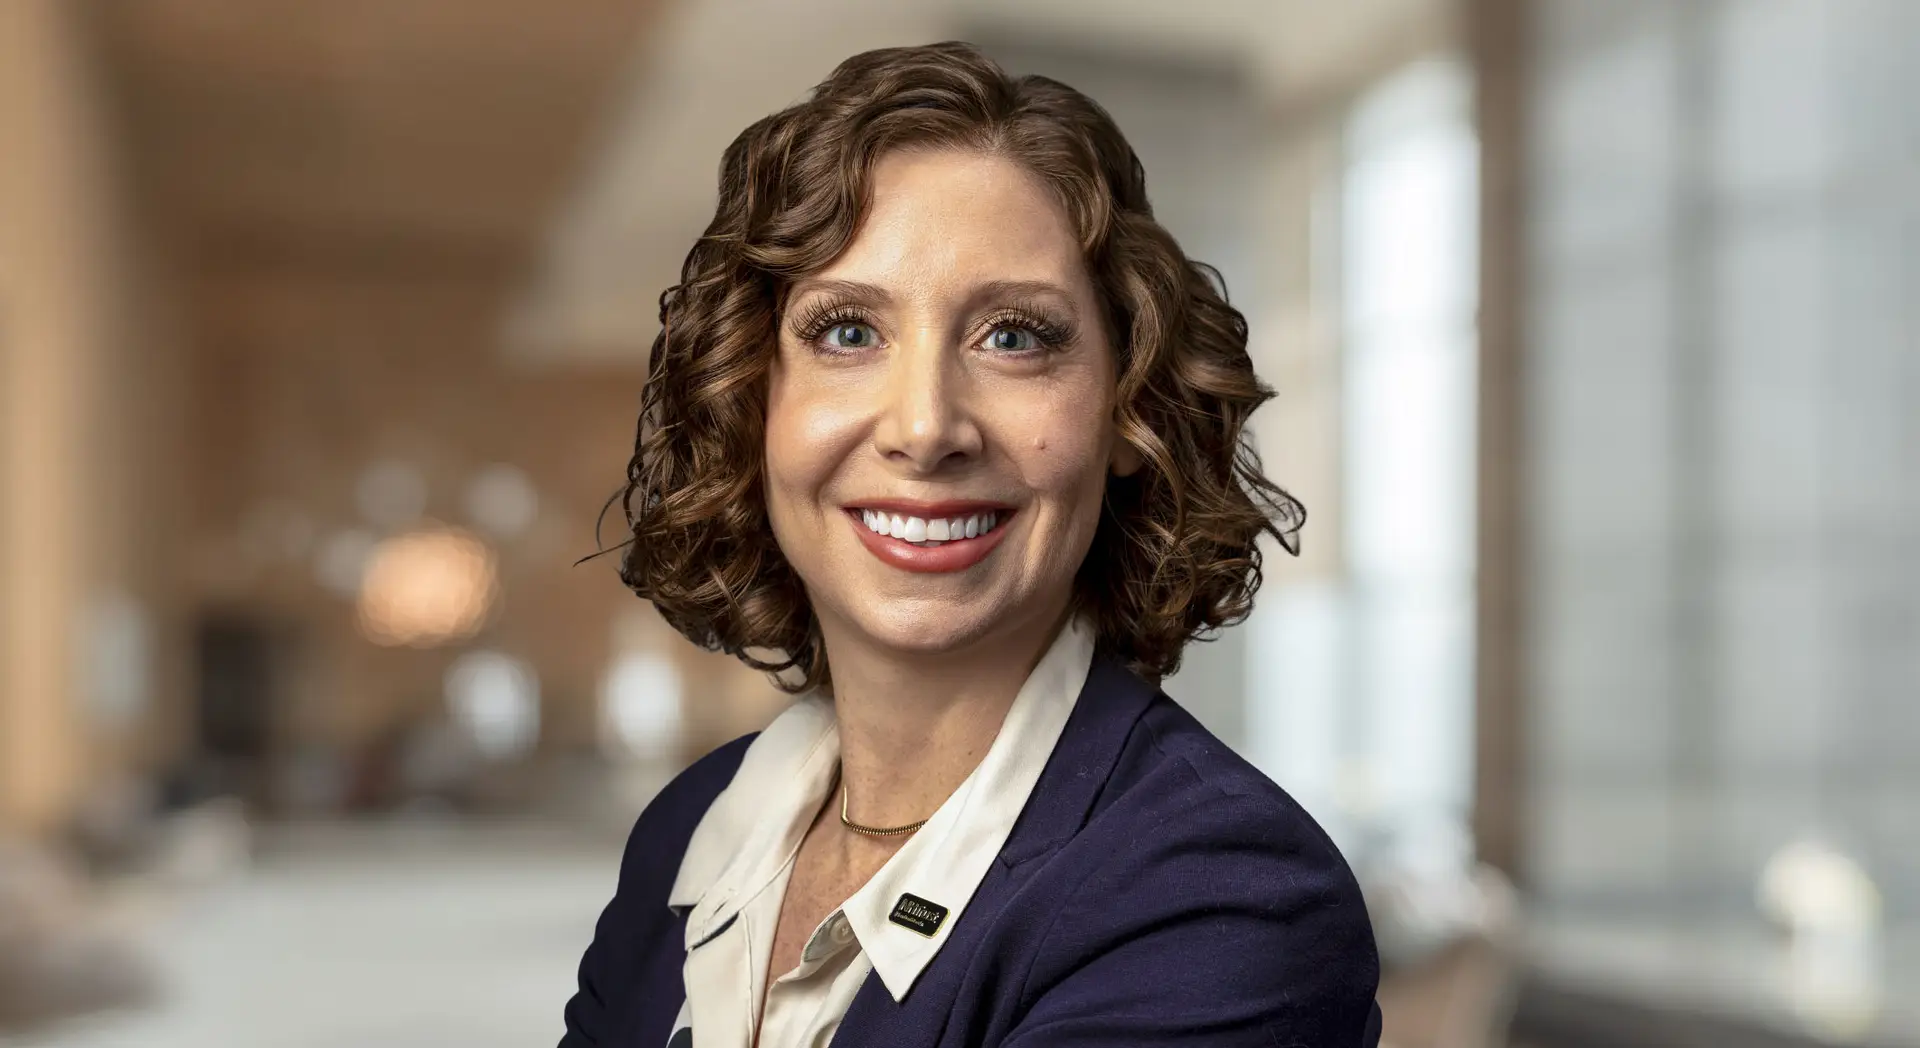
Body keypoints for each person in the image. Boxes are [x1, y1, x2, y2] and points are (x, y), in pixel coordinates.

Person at [561, 40, 1381, 1048]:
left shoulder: (1221, 901)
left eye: (1014, 336)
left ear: (1130, 415)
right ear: (754, 403)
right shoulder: (691, 833)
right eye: (849, 331)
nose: (924, 425)